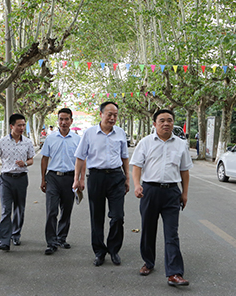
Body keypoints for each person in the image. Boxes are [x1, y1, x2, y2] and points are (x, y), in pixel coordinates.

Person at [131, 109, 193, 286]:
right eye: (162, 120)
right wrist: (137, 185)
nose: (166, 123)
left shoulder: (181, 144)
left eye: (170, 120)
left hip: (172, 192)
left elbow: (184, 171)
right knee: (148, 229)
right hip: (150, 191)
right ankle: (148, 262)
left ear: (173, 123)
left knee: (172, 233)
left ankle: (174, 273)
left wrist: (184, 193)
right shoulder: (145, 142)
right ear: (155, 124)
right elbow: (137, 166)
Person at [73, 101, 129, 266]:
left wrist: (127, 177)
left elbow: (124, 157)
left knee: (118, 216)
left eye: (115, 115)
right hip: (96, 177)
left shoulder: (120, 133)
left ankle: (114, 249)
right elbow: (80, 157)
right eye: (109, 114)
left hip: (116, 177)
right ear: (101, 114)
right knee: (96, 216)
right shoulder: (89, 133)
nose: (112, 118)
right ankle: (99, 251)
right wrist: (77, 179)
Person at [40, 108, 81, 255]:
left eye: (66, 119)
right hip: (53, 178)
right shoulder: (50, 138)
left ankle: (61, 238)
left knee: (66, 209)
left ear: (71, 121)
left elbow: (81, 160)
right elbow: (44, 158)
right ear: (58, 120)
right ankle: (51, 242)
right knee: (51, 210)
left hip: (70, 178)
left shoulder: (77, 140)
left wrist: (80, 179)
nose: (63, 122)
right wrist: (43, 179)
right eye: (61, 119)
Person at [0, 113, 35, 250]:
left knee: (19, 208)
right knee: (6, 209)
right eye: (19, 125)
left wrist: (25, 163)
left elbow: (31, 160)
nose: (22, 128)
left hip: (21, 178)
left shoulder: (27, 142)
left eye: (23, 125)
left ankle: (16, 234)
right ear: (11, 126)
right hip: (6, 179)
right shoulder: (2, 142)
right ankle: (3, 240)